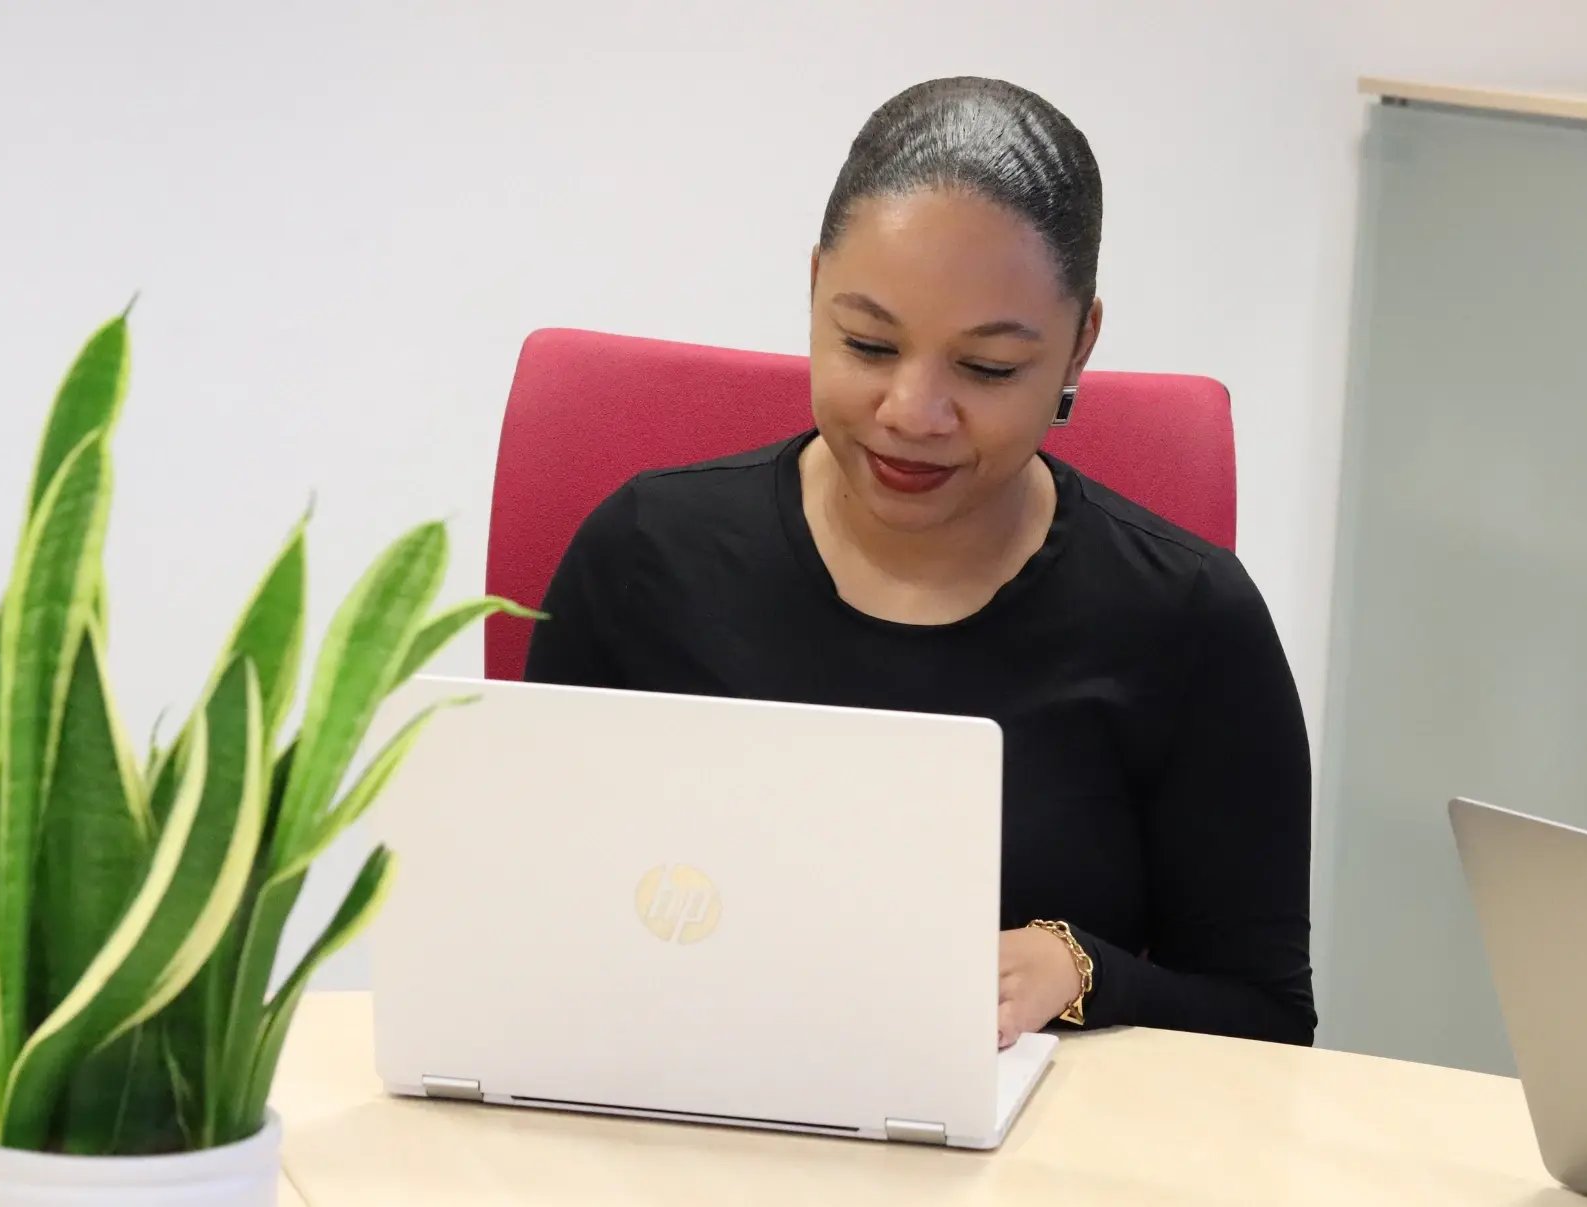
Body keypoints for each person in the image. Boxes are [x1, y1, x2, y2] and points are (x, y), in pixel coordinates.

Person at [525, 76, 1314, 1047]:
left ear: (1079, 348)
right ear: (814, 290)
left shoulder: (1188, 618)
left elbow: (1267, 1023)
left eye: (987, 368)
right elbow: (527, 917)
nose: (912, 412)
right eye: (868, 344)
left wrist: (1084, 971)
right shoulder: (645, 555)